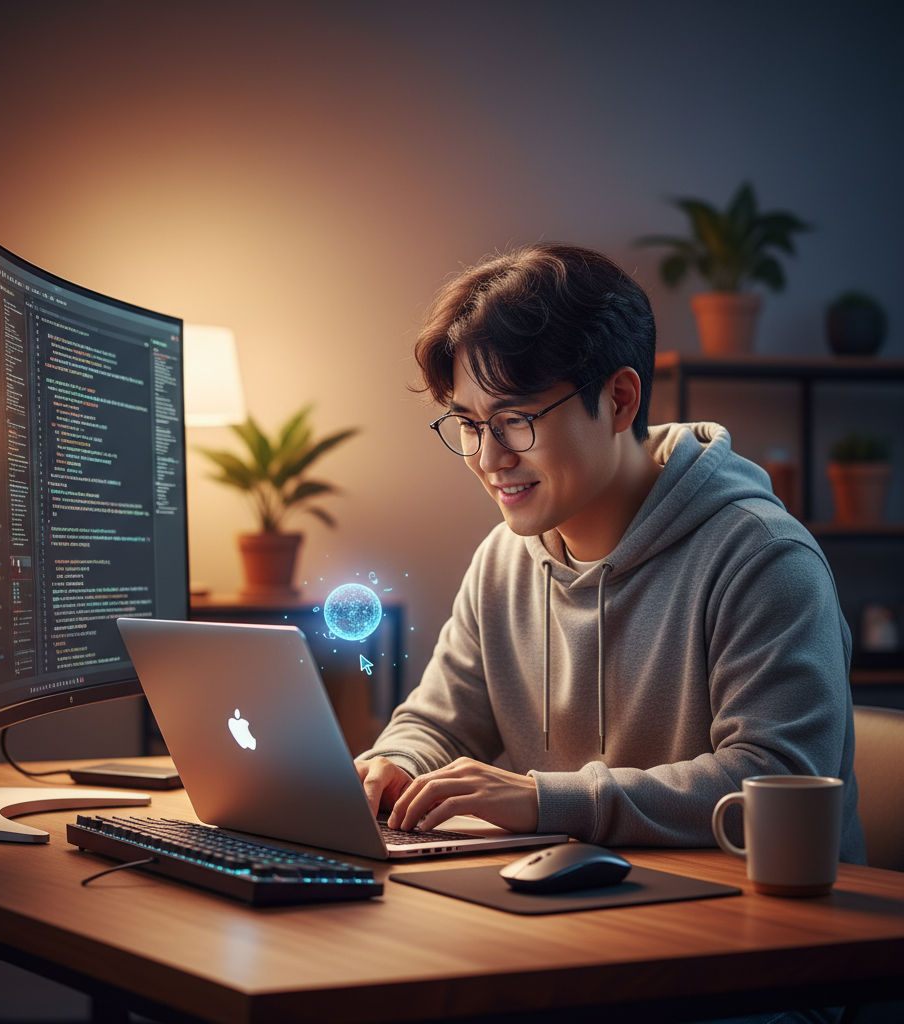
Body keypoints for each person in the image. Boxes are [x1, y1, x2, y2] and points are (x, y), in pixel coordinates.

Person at [355, 243, 865, 865]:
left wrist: (548, 800)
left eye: (516, 419)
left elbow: (775, 782)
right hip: (591, 912)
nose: (489, 460)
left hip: (762, 931)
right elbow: (438, 722)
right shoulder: (503, 561)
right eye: (468, 424)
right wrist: (395, 763)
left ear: (621, 400)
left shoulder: (764, 559)